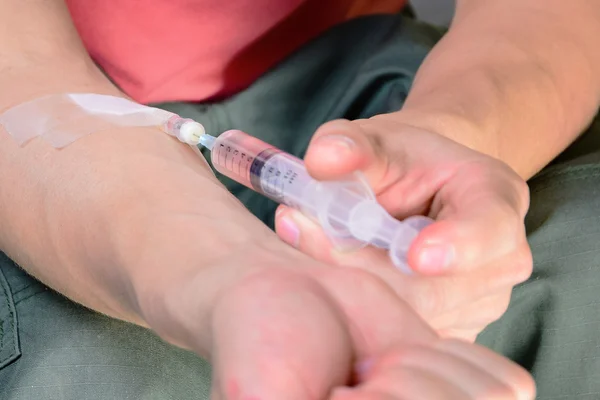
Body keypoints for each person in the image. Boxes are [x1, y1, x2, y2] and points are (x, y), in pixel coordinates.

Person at [0, 0, 597, 398]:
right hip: (73, 167)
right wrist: (222, 272)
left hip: (384, 84)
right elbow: (21, 75)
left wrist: (453, 142)